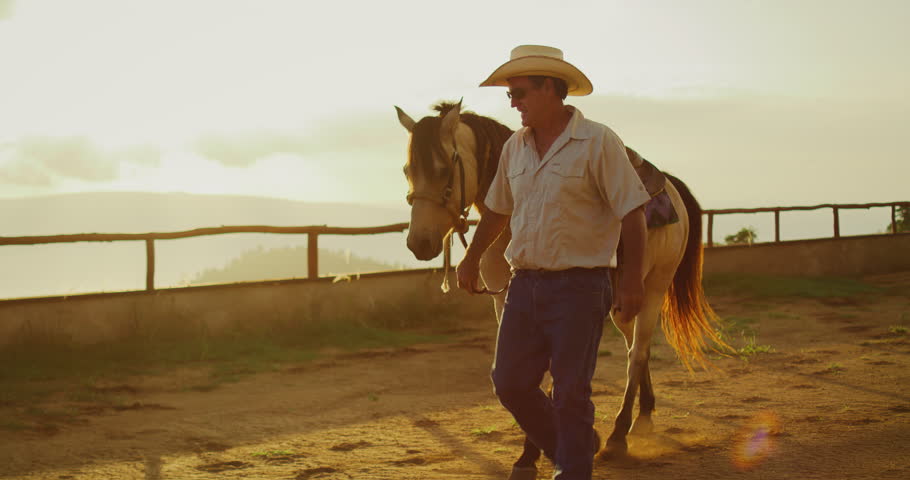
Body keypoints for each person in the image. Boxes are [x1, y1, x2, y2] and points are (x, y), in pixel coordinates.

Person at [456, 45, 650, 480]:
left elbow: (633, 211)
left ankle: (573, 469)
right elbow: (497, 209)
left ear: (551, 89)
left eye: (520, 92)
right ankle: (574, 447)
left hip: (580, 288)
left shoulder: (598, 141)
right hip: (523, 285)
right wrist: (470, 258)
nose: (512, 102)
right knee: (509, 383)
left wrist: (632, 278)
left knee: (570, 394)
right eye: (510, 93)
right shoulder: (514, 148)